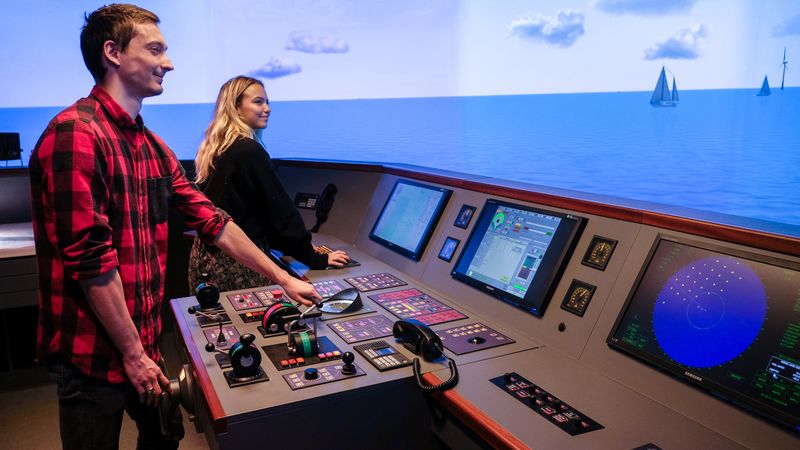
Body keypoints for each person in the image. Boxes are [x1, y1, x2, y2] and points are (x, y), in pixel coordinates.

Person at [28, 5, 320, 449]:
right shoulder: (75, 135)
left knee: (165, 434)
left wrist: (283, 279)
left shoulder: (149, 145)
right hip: (94, 353)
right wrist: (132, 354)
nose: (169, 62)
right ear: (113, 53)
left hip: (141, 342)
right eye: (156, 49)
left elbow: (214, 222)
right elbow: (90, 260)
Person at [189, 75, 350, 292]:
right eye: (258, 102)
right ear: (235, 108)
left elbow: (249, 214)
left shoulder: (216, 149)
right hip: (239, 261)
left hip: (208, 260)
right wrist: (315, 258)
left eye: (267, 102)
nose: (267, 108)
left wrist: (296, 247)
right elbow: (281, 215)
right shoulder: (248, 150)